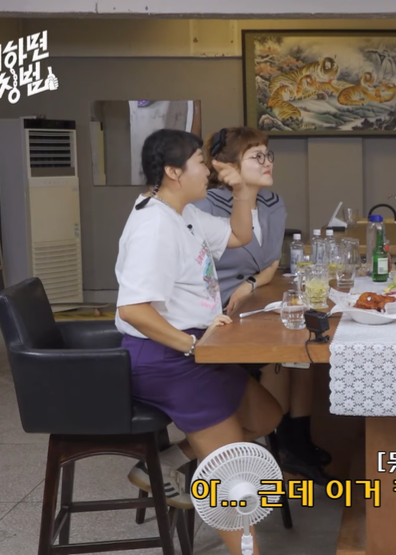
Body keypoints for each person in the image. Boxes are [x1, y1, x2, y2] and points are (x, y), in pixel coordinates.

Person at [115, 128, 282, 554]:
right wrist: (192, 347)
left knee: (266, 415)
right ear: (174, 172)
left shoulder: (182, 211)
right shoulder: (154, 226)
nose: (208, 170)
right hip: (167, 356)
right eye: (200, 163)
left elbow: (239, 235)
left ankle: (168, 461)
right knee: (235, 471)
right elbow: (133, 310)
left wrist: (242, 190)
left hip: (198, 347)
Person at [190, 126, 334, 484]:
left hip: (252, 301)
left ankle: (294, 442)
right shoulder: (204, 206)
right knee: (289, 350)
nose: (268, 162)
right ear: (227, 165)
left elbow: (271, 263)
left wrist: (252, 282)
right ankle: (280, 442)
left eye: (268, 155)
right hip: (214, 314)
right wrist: (251, 282)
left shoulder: (272, 202)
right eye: (257, 156)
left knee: (303, 342)